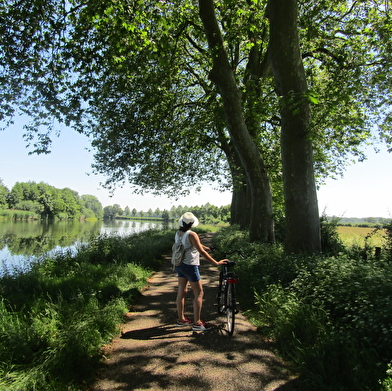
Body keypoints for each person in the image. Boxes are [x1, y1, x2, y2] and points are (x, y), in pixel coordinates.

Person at [174, 212, 227, 331]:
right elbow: (201, 253)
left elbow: (191, 244)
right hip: (190, 266)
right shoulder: (192, 234)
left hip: (179, 265)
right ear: (192, 223)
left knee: (181, 292)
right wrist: (216, 263)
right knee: (199, 293)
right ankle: (197, 323)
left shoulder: (178, 233)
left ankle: (181, 319)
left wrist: (203, 246)